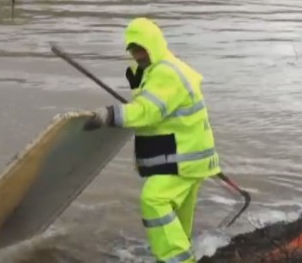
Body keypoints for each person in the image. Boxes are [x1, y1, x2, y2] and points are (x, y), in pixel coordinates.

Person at [86, 17, 221, 263]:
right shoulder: (160, 68)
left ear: (153, 45)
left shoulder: (166, 74)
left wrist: (110, 114)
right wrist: (138, 86)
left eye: (141, 49)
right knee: (178, 221)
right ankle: (177, 255)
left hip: (182, 159)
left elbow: (148, 111)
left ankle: (179, 260)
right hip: (192, 156)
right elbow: (156, 106)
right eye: (133, 50)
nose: (137, 55)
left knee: (153, 200)